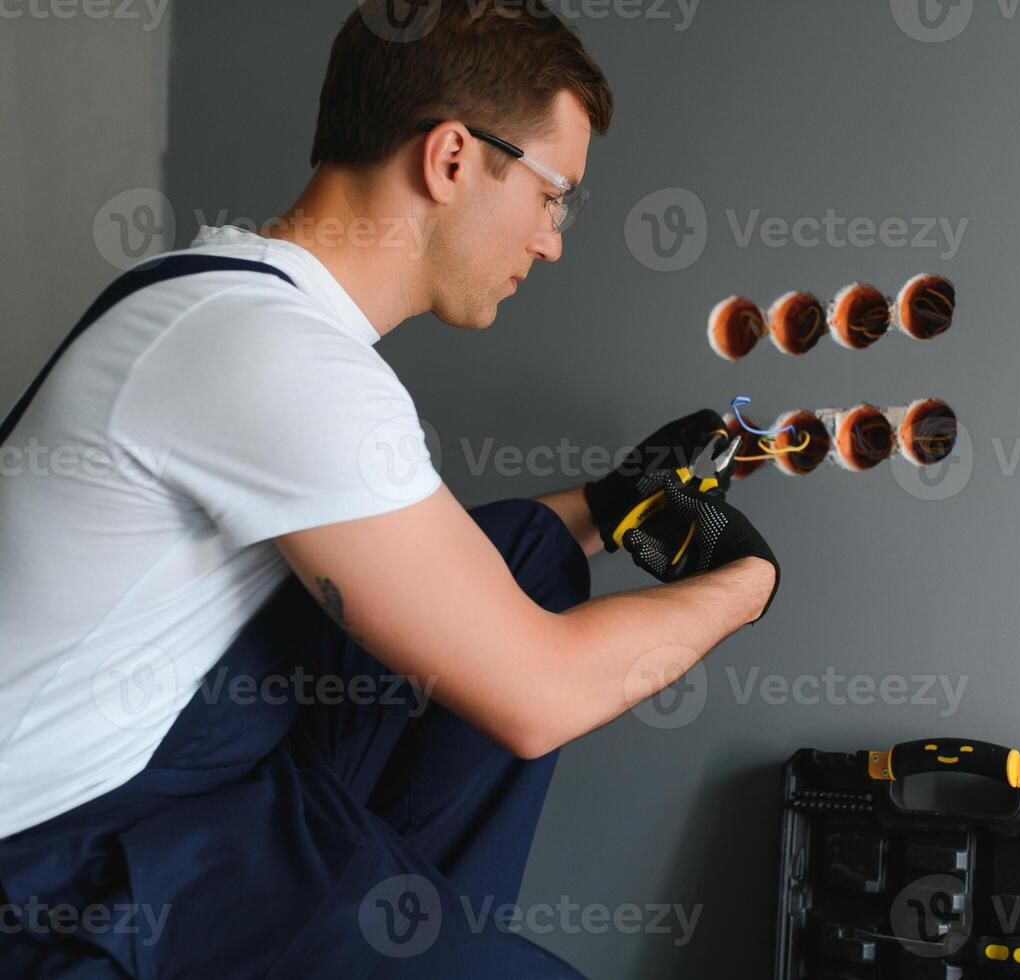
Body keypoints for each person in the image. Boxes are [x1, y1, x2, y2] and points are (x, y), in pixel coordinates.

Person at [0, 2, 778, 976]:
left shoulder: (231, 304)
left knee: (531, 553)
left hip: (197, 789)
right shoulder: (268, 354)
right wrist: (748, 585)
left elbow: (422, 570)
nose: (552, 241)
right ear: (452, 158)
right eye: (553, 197)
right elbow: (538, 692)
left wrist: (611, 504)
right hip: (58, 886)